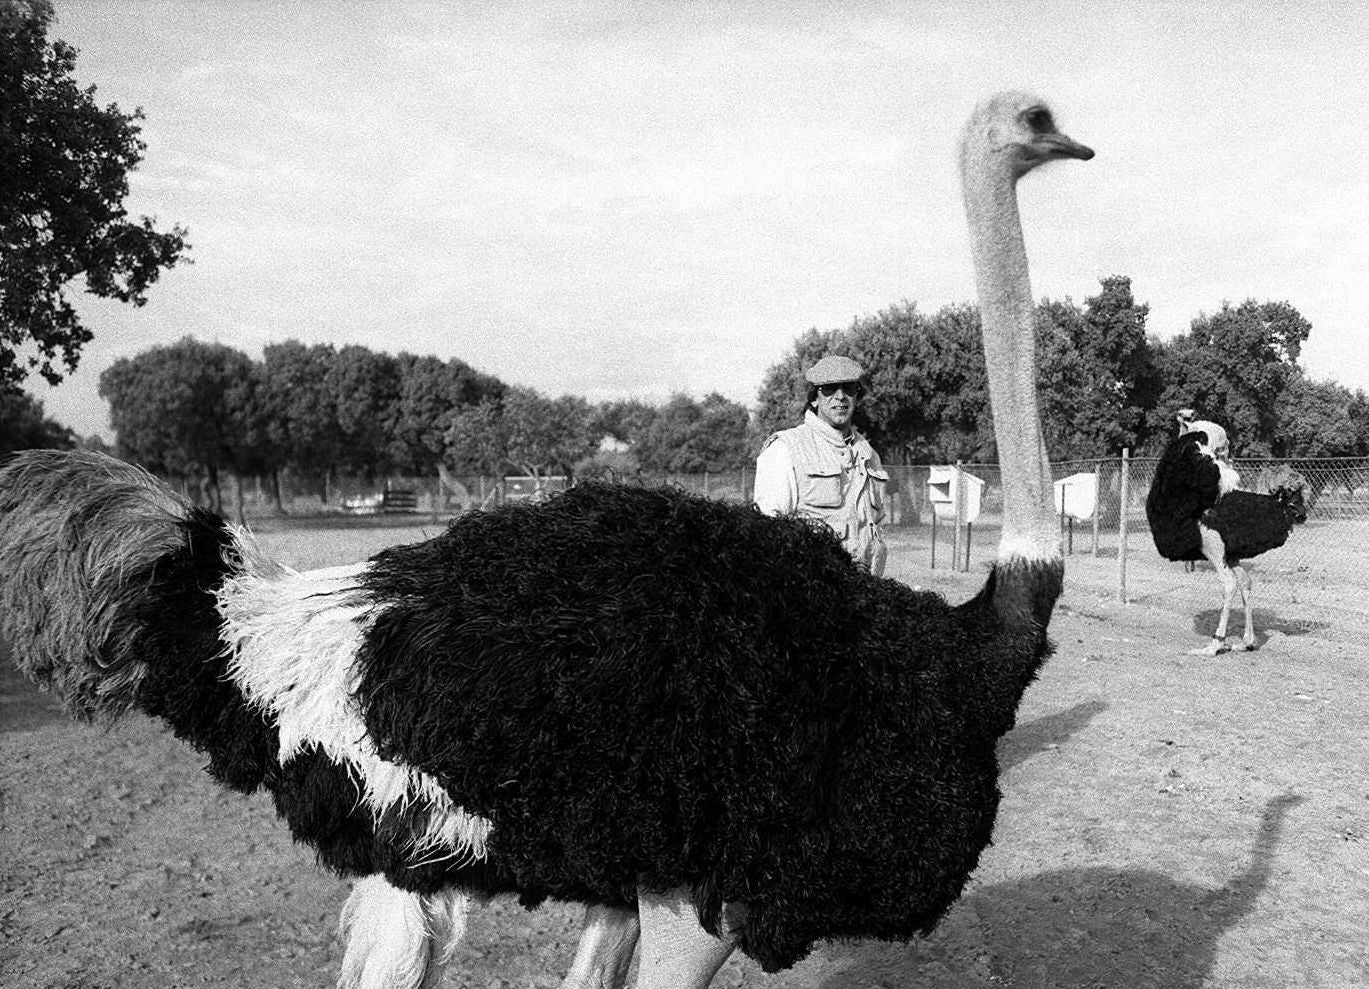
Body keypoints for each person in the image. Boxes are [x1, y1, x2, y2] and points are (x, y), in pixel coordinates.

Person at [754, 355, 889, 575]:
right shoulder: (786, 449)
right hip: (810, 595)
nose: (840, 396)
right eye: (829, 389)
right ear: (814, 399)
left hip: (868, 594)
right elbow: (767, 535)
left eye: (849, 388)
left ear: (857, 396)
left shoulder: (869, 455)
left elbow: (877, 526)